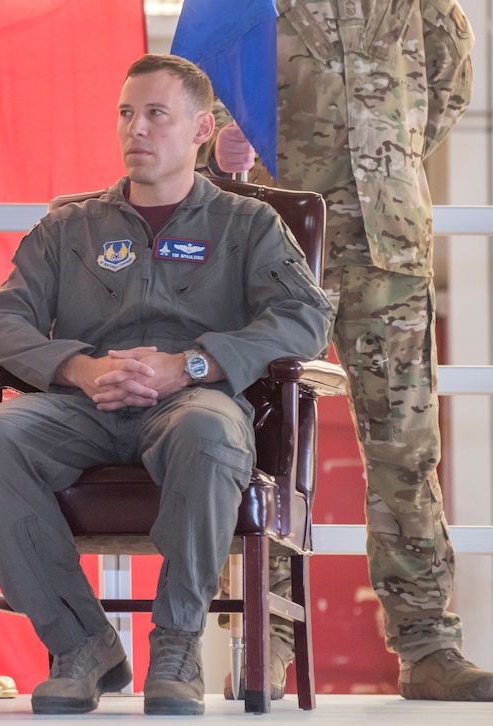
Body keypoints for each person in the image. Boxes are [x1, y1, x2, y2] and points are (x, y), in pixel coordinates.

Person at [0, 53, 333, 716]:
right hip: (83, 407)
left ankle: (177, 647)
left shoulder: (247, 226)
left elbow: (307, 317)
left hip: (193, 403)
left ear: (200, 129)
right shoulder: (72, 226)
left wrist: (190, 365)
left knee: (209, 431)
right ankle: (80, 645)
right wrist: (78, 368)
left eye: (156, 114)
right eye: (127, 114)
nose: (137, 129)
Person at [206, 0, 493, 702]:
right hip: (276, 242)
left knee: (406, 446)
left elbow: (450, 81)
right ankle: (262, 641)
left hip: (387, 239)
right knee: (260, 444)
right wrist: (217, 141)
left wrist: (384, 156)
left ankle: (428, 644)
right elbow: (196, 85)